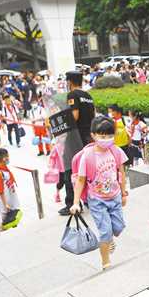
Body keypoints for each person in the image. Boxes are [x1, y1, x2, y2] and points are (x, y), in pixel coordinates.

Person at [71, 116, 128, 270]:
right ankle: (105, 261)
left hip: (115, 196)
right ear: (93, 135)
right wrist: (76, 202)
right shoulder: (87, 157)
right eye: (102, 136)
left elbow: (121, 173)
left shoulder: (116, 151)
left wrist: (124, 193)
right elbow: (80, 180)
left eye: (110, 135)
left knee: (118, 227)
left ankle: (109, 238)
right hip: (97, 200)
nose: (106, 139)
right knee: (105, 232)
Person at [59, 71, 95, 216]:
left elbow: (74, 116)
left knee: (70, 170)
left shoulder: (72, 95)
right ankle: (89, 199)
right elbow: (93, 116)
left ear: (70, 82)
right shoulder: (88, 96)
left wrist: (59, 124)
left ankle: (71, 203)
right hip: (88, 137)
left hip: (75, 138)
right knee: (87, 169)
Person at [0, 148, 19, 230]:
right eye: (7, 156)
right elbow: (0, 191)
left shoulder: (4, 169)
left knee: (13, 222)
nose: (9, 158)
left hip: (11, 200)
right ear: (3, 158)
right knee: (6, 223)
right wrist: (5, 205)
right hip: (6, 204)